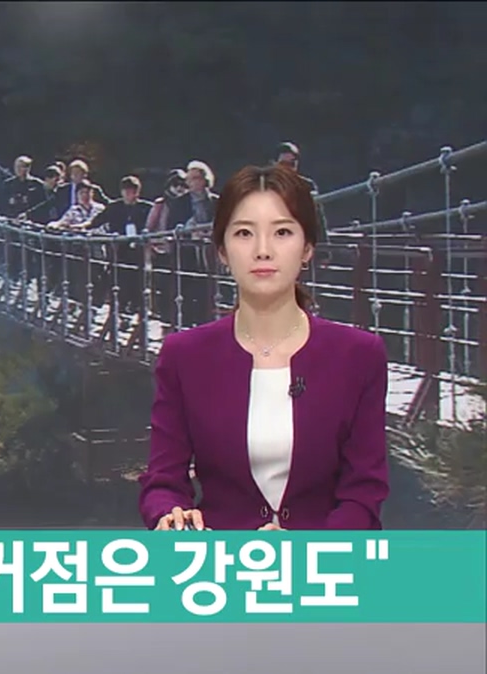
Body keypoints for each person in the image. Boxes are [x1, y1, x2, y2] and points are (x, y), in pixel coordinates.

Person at [138, 163, 389, 531]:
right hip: (219, 559)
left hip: (329, 561)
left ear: (307, 248)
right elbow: (163, 482)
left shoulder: (359, 355)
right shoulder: (183, 355)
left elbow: (363, 494)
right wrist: (169, 514)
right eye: (244, 233)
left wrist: (307, 550)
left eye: (282, 232)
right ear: (222, 251)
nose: (263, 250)